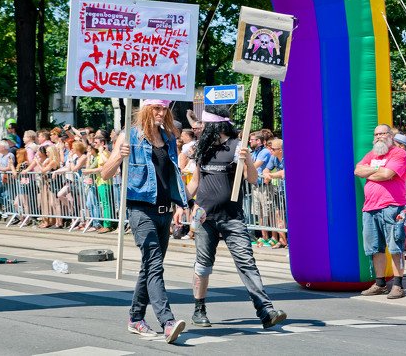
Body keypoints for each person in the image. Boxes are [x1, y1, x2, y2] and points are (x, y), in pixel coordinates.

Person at [186, 106, 287, 329]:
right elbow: (195, 182)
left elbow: (251, 179)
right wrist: (180, 201)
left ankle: (265, 310)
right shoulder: (203, 148)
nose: (202, 127)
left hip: (232, 217)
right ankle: (199, 309)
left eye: (206, 124)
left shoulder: (237, 147)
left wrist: (247, 160)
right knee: (203, 264)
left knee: (246, 262)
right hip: (204, 217)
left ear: (215, 125)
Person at [101, 99, 188, 344]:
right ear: (146, 109)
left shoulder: (168, 138)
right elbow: (105, 173)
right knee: (154, 264)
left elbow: (172, 176)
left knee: (149, 267)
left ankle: (136, 318)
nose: (161, 112)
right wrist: (119, 156)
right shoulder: (129, 136)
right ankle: (167, 321)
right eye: (156, 108)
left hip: (164, 212)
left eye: (164, 108)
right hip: (140, 210)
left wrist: (181, 204)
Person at [354, 124, 406, 299]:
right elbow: (357, 170)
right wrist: (378, 170)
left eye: (382, 134)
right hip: (370, 207)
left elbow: (387, 174)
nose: (378, 137)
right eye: (376, 134)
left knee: (395, 246)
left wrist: (370, 172)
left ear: (390, 135)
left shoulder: (398, 153)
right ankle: (380, 283)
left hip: (392, 206)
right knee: (375, 248)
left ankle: (398, 285)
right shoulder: (372, 154)